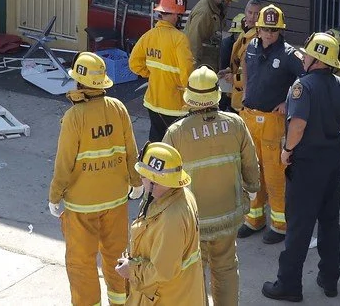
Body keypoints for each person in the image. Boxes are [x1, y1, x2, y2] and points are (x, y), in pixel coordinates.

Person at [262, 32, 340, 302]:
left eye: (306, 54)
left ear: (315, 59)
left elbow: (298, 125)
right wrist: (333, 130)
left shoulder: (301, 87)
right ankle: (329, 280)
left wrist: (287, 150)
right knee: (330, 221)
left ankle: (289, 284)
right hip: (332, 160)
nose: (302, 57)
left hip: (306, 164)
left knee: (300, 226)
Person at [48, 52, 141, 306]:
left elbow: (64, 163)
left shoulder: (74, 117)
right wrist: (136, 181)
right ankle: (122, 301)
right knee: (117, 257)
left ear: (79, 83)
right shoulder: (118, 109)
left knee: (81, 263)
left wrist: (55, 196)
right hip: (115, 199)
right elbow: (130, 149)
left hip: (81, 206)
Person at [163, 67, 259, 306]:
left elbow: (162, 178)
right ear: (216, 95)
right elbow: (250, 163)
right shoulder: (235, 123)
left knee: (194, 273)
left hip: (193, 221)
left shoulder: (177, 132)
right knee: (226, 268)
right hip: (228, 215)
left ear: (190, 98)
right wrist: (253, 186)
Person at [232, 4, 301, 244]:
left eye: (274, 30)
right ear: (258, 28)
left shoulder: (290, 55)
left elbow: (306, 80)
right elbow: (247, 70)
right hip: (250, 118)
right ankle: (255, 218)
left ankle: (281, 225)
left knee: (274, 175)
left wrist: (287, 102)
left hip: (273, 122)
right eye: (265, 29)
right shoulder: (251, 46)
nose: (269, 34)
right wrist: (244, 96)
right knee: (252, 172)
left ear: (280, 30)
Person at [117, 142, 205, 306]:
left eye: (143, 176)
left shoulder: (170, 219)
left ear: (154, 182)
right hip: (182, 292)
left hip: (167, 298)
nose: (141, 179)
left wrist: (131, 270)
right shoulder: (181, 194)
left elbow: (162, 271)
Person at [128, 0, 194, 146]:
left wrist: (151, 74)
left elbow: (134, 63)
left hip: (153, 101)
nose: (179, 18)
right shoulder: (180, 39)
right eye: (179, 15)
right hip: (175, 105)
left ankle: (152, 167)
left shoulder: (148, 36)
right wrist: (191, 96)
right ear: (172, 15)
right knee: (176, 146)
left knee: (156, 142)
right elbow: (187, 72)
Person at [185, 0, 240, 70]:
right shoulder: (204, 13)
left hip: (209, 65)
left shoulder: (217, 9)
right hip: (200, 70)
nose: (230, 3)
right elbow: (193, 45)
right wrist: (193, 75)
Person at [219, 0, 264, 112]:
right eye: (250, 12)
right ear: (245, 12)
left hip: (247, 96)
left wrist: (234, 78)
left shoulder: (259, 37)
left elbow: (256, 72)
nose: (252, 17)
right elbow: (239, 60)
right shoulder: (245, 33)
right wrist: (229, 70)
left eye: (256, 14)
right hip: (238, 92)